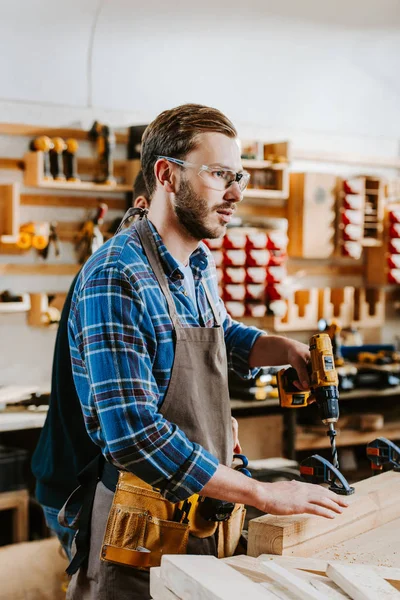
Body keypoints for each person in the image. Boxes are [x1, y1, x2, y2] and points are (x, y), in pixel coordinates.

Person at [66, 104, 348, 599]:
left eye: (237, 176)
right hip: (142, 532)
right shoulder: (117, 276)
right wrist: (263, 493)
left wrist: (277, 348)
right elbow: (133, 434)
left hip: (209, 512)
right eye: (220, 174)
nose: (236, 192)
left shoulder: (196, 262)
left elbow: (217, 333)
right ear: (167, 175)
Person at [31, 171, 150, 560]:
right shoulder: (112, 275)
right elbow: (128, 429)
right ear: (145, 206)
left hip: (100, 484)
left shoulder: (158, 277)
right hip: (80, 486)